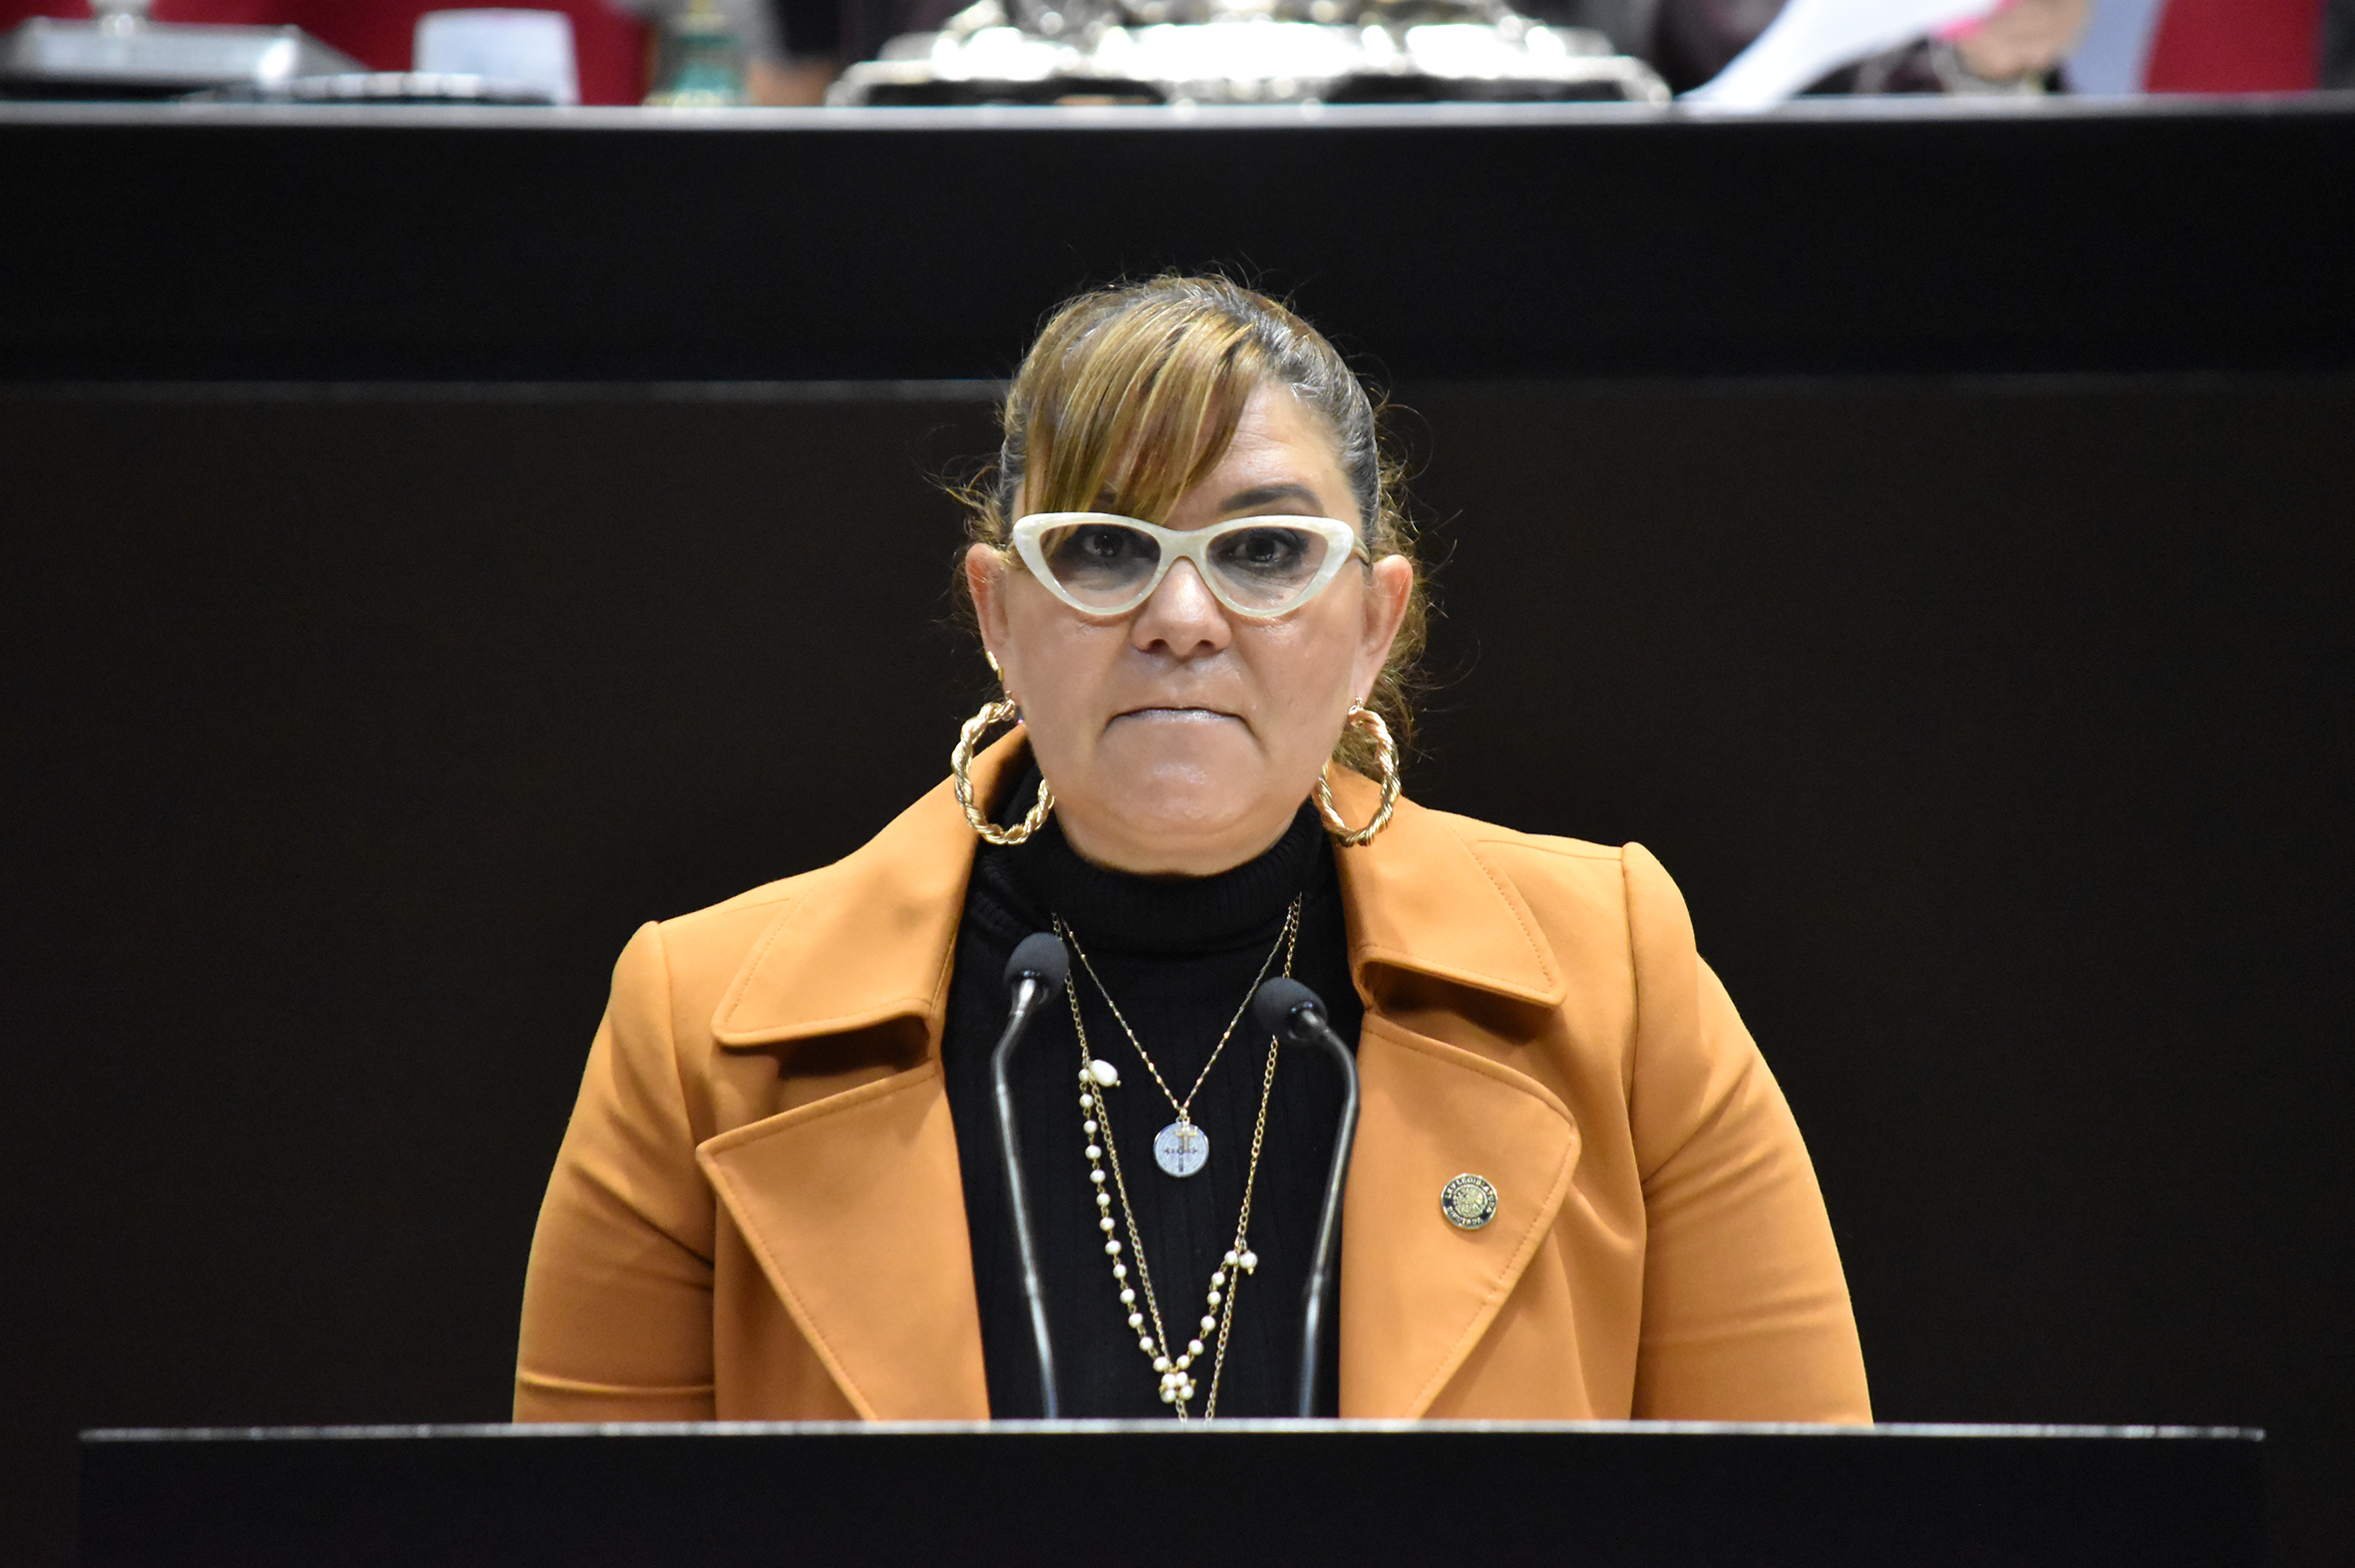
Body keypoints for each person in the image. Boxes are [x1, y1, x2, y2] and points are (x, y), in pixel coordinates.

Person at [512, 276, 1870, 1424]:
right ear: (997, 614)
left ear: (1374, 625)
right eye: (1104, 548)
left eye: (1264, 549)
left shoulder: (1618, 979)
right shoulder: (696, 1028)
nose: (1180, 614)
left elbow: (1805, 1528)